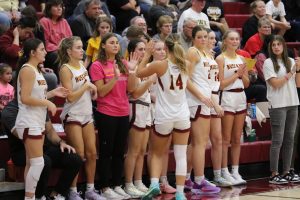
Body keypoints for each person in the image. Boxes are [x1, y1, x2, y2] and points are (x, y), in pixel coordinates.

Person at [137, 34, 213, 200]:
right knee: (180, 154)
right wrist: (202, 96)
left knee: (157, 153)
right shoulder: (186, 64)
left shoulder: (159, 65)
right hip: (182, 115)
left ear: (166, 49)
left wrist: (147, 55)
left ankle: (155, 184)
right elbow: (188, 84)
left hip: (164, 115)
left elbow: (138, 73)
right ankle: (179, 193)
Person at [14, 38, 65, 200]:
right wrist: (47, 103)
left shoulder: (36, 70)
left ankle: (29, 197)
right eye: (42, 49)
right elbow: (25, 98)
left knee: (32, 162)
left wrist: (51, 94)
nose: (45, 52)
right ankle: (30, 198)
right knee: (38, 163)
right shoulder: (27, 70)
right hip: (29, 121)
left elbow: (37, 95)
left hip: (37, 120)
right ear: (32, 53)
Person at [2, 97, 82, 200]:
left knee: (74, 158)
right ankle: (39, 196)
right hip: (21, 151)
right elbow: (23, 136)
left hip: (43, 147)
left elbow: (50, 131)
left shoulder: (39, 105)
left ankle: (57, 194)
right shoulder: (9, 110)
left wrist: (61, 142)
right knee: (43, 161)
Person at [89, 32, 137, 199]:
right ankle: (104, 187)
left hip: (123, 112)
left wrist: (132, 71)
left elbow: (131, 89)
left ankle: (117, 184)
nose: (116, 45)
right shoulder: (97, 66)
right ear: (103, 46)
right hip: (106, 113)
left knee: (119, 152)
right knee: (106, 151)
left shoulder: (122, 63)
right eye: (111, 42)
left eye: (117, 42)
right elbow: (101, 92)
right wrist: (115, 78)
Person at [58, 36, 104, 200]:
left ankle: (90, 190)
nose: (82, 50)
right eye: (78, 48)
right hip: (73, 114)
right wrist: (86, 86)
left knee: (92, 153)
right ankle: (72, 191)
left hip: (86, 113)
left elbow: (87, 86)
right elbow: (69, 97)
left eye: (81, 47)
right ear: (69, 51)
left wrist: (93, 90)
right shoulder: (65, 69)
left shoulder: (83, 66)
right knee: (78, 154)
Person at [185, 26, 222, 194]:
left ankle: (186, 178)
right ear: (193, 38)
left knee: (197, 143)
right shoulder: (193, 52)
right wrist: (201, 96)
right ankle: (199, 180)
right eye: (199, 36)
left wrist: (214, 102)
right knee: (200, 142)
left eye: (205, 36)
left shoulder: (208, 54)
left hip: (206, 100)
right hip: (196, 101)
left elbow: (210, 83)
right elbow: (185, 79)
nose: (203, 39)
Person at [263, 35, 300, 184]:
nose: (276, 47)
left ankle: (287, 171)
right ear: (270, 48)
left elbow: (297, 84)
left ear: (284, 46)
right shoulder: (268, 62)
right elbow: (275, 84)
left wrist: (298, 70)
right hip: (277, 104)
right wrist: (291, 72)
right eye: (274, 45)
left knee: (290, 139)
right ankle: (274, 173)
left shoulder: (290, 61)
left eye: (279, 44)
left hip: (293, 103)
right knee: (277, 140)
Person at [215, 30, 250, 186]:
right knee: (225, 138)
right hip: (227, 96)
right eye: (232, 39)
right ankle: (224, 170)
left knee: (237, 138)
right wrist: (237, 74)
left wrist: (243, 75)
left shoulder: (242, 58)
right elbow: (220, 84)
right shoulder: (220, 59)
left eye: (237, 39)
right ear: (225, 41)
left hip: (241, 96)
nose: (235, 41)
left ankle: (235, 170)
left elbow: (247, 83)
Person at [124, 39, 154, 198]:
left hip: (146, 107)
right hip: (136, 107)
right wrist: (149, 81)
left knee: (142, 150)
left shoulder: (146, 67)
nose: (143, 52)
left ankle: (138, 181)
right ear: (132, 52)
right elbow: (134, 92)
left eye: (145, 49)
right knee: (133, 151)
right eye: (140, 49)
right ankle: (128, 184)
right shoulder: (132, 68)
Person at [39, 0, 72, 75]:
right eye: (56, 6)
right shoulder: (44, 21)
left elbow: (70, 39)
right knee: (57, 55)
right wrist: (60, 48)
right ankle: (61, 80)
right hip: (50, 53)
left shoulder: (64, 21)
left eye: (60, 6)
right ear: (49, 8)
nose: (59, 8)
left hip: (65, 49)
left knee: (82, 53)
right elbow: (45, 42)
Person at [0, 63, 13, 135]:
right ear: (0, 75)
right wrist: (4, 108)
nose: (10, 76)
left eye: (11, 73)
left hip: (8, 111)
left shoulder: (11, 88)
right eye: (7, 74)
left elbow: (13, 102)